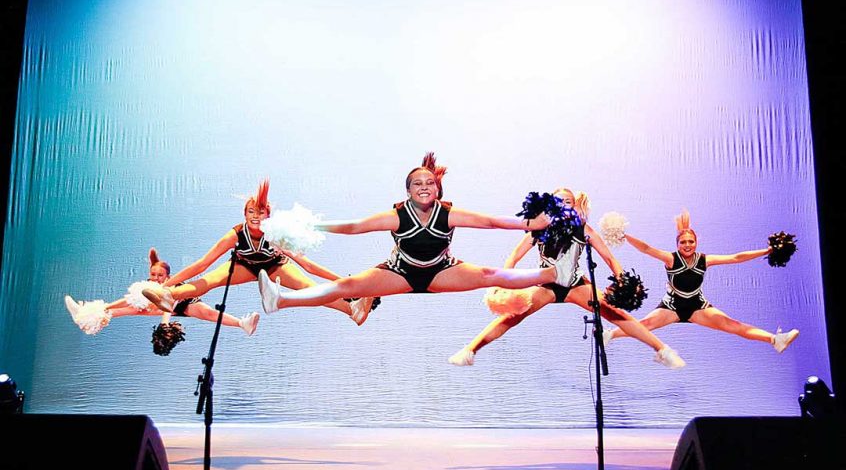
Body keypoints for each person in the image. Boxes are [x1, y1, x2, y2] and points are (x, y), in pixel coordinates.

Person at [253, 153, 586, 317]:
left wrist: (534, 224)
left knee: (488, 274)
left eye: (429, 183)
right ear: (409, 191)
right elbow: (353, 227)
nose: (424, 187)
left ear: (437, 188)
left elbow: (491, 223)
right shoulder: (397, 215)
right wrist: (310, 226)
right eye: (417, 183)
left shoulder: (449, 212)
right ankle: (280, 299)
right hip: (401, 272)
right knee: (349, 286)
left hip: (442, 272)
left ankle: (555, 273)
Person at [446, 188, 685, 369]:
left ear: (574, 206)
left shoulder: (583, 230)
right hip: (546, 285)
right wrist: (503, 285)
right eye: (558, 201)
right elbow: (514, 257)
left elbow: (610, 259)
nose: (563, 204)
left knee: (616, 313)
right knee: (512, 316)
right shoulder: (537, 230)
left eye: (568, 201)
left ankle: (662, 350)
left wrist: (621, 279)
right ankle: (470, 351)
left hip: (574, 285)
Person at [140, 180, 373, 325]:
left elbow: (308, 265)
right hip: (243, 266)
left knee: (309, 289)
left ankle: (352, 310)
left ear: (268, 215)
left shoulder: (276, 235)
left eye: (260, 212)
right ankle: (170, 295)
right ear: (244, 214)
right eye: (251, 211)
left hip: (275, 265)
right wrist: (166, 286)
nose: (255, 215)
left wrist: (347, 282)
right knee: (209, 281)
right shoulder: (235, 234)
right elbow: (201, 264)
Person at [604, 209, 799, 353]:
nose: (687, 245)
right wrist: (624, 235)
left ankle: (775, 339)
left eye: (691, 242)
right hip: (671, 307)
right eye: (683, 242)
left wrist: (767, 251)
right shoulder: (671, 259)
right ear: (677, 244)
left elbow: (736, 257)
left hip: (697, 306)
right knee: (643, 325)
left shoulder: (705, 260)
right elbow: (646, 248)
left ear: (696, 243)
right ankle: (609, 334)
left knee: (733, 325)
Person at [64, 248, 259, 336]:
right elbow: (128, 301)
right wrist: (108, 307)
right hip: (161, 306)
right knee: (122, 308)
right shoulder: (147, 288)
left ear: (167, 276)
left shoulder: (170, 286)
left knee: (208, 313)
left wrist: (164, 324)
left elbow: (167, 306)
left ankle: (242, 323)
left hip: (183, 304)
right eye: (153, 274)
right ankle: (85, 316)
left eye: (160, 275)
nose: (156, 278)